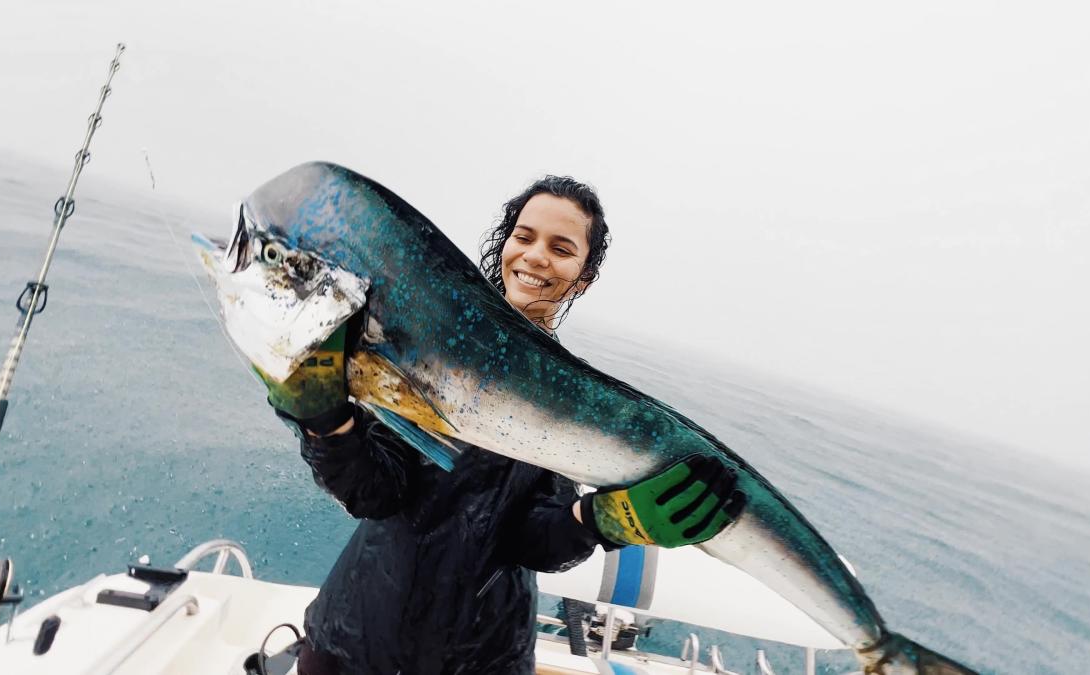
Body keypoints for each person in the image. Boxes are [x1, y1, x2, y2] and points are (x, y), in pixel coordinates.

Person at [262, 176, 744, 674]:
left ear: (582, 277)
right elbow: (374, 493)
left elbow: (533, 541)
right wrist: (326, 422)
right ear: (506, 244)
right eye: (524, 236)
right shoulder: (428, 346)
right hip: (350, 642)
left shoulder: (568, 395)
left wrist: (602, 520)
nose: (536, 256)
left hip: (482, 659)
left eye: (561, 248)